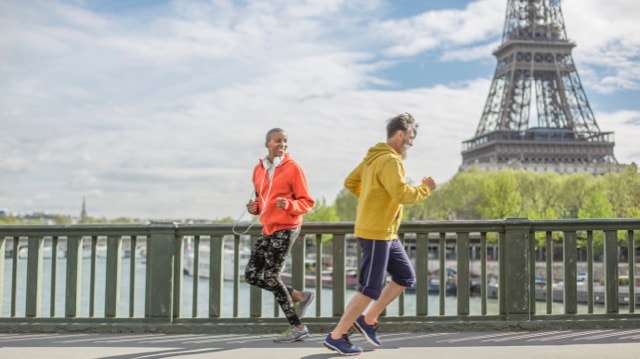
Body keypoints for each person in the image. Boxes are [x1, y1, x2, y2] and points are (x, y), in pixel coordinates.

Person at [323, 113, 437, 355]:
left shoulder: (372, 158)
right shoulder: (391, 161)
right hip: (376, 232)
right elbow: (403, 194)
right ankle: (337, 335)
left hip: (385, 232)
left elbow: (350, 182)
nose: (411, 143)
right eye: (411, 137)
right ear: (400, 135)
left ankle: (368, 319)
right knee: (369, 288)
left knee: (405, 277)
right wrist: (426, 188)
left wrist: (372, 198)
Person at [244, 127, 316, 342]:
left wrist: (291, 204)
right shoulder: (258, 169)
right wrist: (254, 208)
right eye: (278, 141)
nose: (282, 145)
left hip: (287, 226)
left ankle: (298, 327)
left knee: (270, 276)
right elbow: (260, 199)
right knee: (251, 275)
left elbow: (307, 202)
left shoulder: (294, 168)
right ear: (267, 143)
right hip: (268, 227)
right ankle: (300, 296)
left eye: (285, 141)